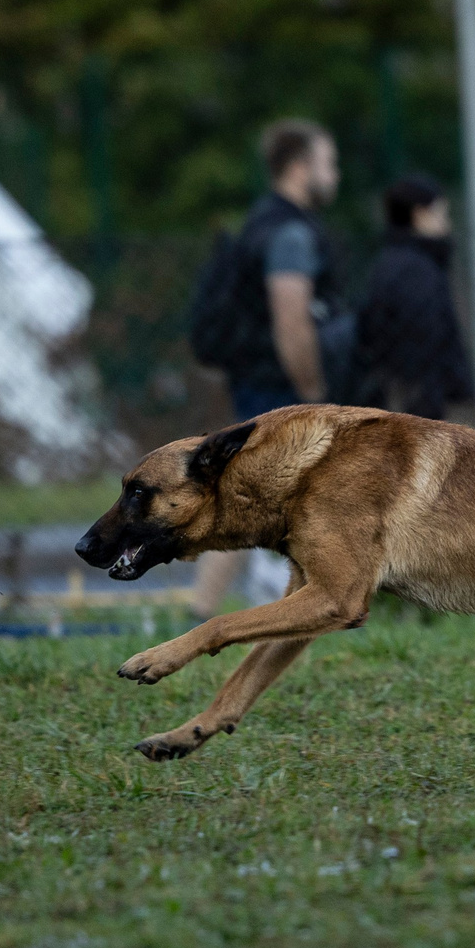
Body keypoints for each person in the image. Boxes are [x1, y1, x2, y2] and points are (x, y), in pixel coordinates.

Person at [192, 119, 340, 617]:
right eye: (328, 162)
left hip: (253, 380)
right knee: (277, 506)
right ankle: (279, 614)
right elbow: (291, 319)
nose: (334, 174)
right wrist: (314, 394)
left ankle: (200, 609)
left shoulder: (257, 222)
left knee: (238, 494)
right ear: (299, 167)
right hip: (279, 388)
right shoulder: (290, 233)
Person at [354, 173, 475, 421]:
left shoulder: (388, 264)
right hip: (418, 408)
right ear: (420, 214)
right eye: (442, 214)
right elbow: (425, 341)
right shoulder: (417, 270)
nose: (447, 225)